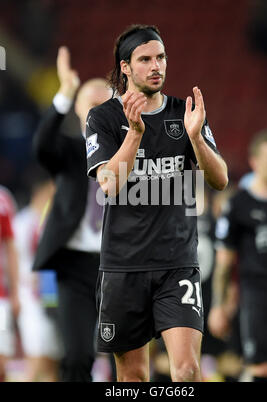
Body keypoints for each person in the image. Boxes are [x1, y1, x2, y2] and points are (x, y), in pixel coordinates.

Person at [85, 24, 228, 382]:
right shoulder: (103, 117)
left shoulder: (186, 112)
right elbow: (109, 183)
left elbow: (220, 179)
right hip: (123, 266)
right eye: (145, 59)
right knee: (133, 376)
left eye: (161, 57)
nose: (156, 66)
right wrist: (134, 135)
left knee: (188, 370)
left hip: (177, 263)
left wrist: (195, 138)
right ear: (126, 68)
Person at [32, 46, 112, 382]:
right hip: (75, 267)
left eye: (103, 104)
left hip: (122, 262)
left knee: (130, 355)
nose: (95, 110)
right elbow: (42, 145)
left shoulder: (133, 151)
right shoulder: (67, 150)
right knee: (79, 355)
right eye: (88, 103)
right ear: (77, 110)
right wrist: (64, 92)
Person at [208, 128, 267, 382]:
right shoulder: (238, 205)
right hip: (259, 301)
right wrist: (218, 306)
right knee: (261, 370)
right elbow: (224, 262)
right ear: (255, 162)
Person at [14, 174, 63, 381]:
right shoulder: (23, 222)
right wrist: (26, 279)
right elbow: (13, 257)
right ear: (42, 192)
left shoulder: (53, 220)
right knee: (35, 357)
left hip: (51, 296)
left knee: (53, 358)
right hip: (30, 296)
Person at [0, 185, 20, 382]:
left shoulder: (3, 200)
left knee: (2, 357)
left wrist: (15, 292)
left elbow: (11, 248)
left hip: (1, 298)